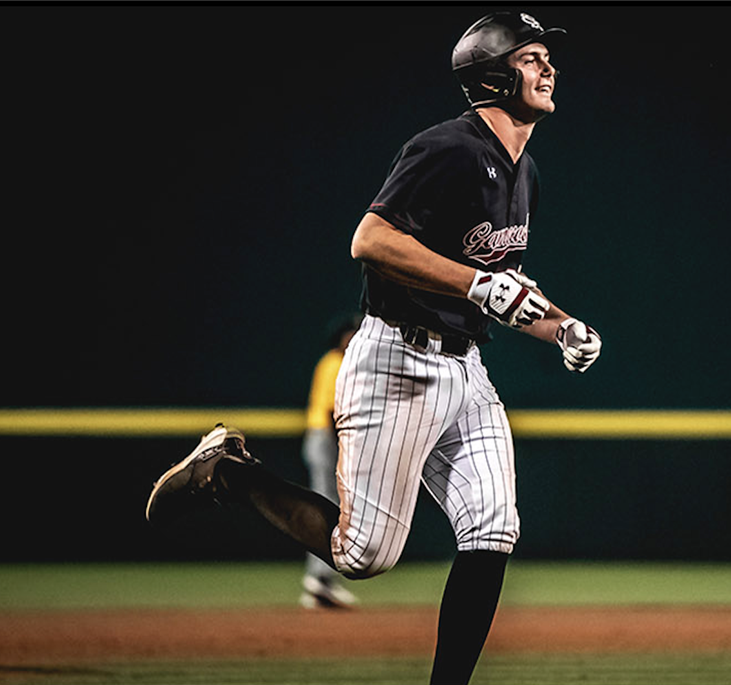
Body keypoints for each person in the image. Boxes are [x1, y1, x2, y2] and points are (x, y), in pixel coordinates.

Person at [145, 11, 602, 685]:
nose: (547, 67)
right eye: (531, 57)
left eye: (544, 58)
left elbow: (497, 284)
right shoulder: (445, 147)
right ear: (492, 75)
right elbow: (372, 241)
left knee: (494, 526)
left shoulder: (523, 170)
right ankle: (231, 470)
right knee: (363, 555)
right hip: (398, 363)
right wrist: (482, 287)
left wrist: (559, 324)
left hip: (466, 370)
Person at [299, 313, 362, 609]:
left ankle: (321, 581)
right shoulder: (335, 363)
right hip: (325, 439)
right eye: (351, 333)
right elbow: (330, 411)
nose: (354, 338)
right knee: (326, 508)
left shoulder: (342, 362)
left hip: (325, 439)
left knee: (332, 509)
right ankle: (320, 578)